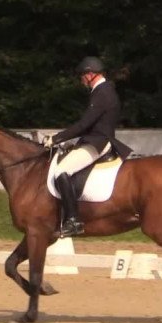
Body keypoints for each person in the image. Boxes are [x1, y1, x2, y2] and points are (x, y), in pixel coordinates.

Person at [43, 56, 131, 237]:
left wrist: (57, 138)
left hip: (98, 143)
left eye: (82, 76)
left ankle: (73, 220)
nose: (81, 80)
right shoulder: (103, 91)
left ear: (91, 74)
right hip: (95, 139)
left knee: (61, 171)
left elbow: (84, 124)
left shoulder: (103, 92)